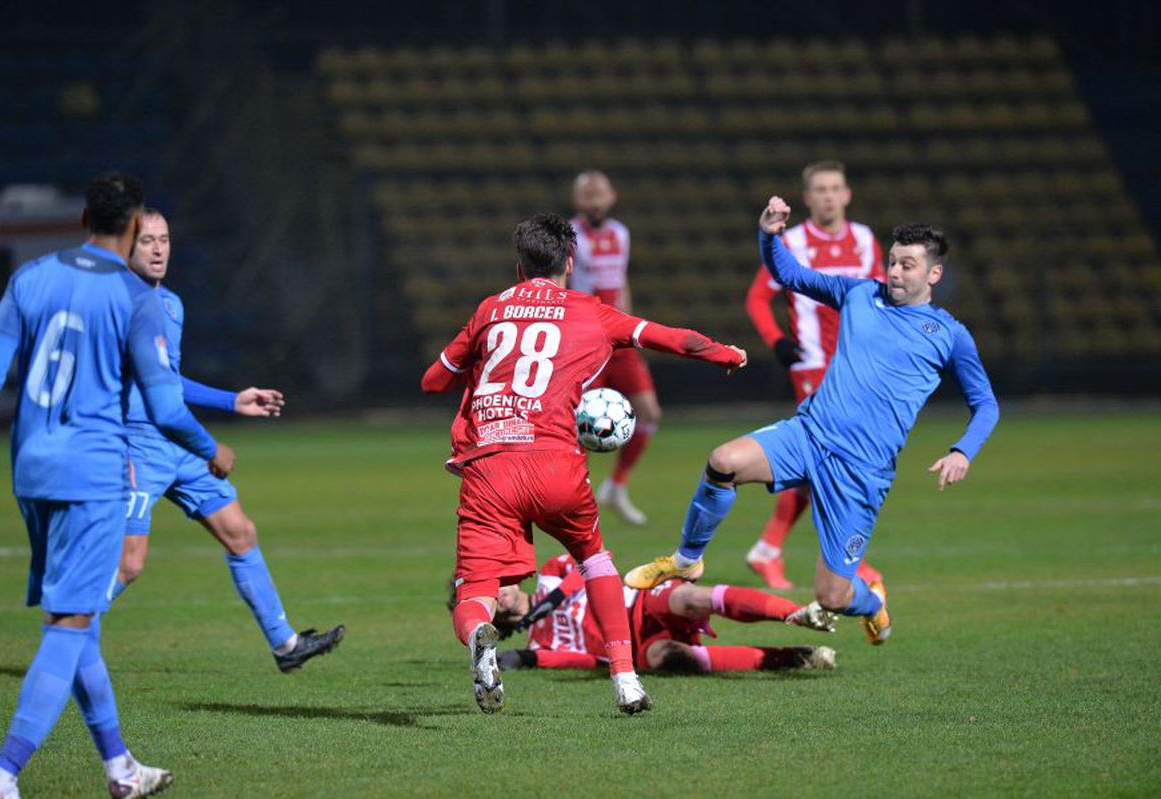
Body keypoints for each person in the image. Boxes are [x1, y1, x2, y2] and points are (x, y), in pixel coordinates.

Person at [0, 173, 232, 799]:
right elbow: (165, 408)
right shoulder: (136, 299)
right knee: (69, 623)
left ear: (84, 217)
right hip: (92, 476)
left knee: (76, 618)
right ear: (135, 225)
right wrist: (210, 447)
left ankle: (119, 767)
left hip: (29, 471)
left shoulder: (29, 278)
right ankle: (3, 778)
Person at [626, 196, 999, 647]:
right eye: (893, 261)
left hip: (861, 471)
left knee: (832, 595)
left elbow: (986, 404)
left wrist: (963, 451)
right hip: (809, 434)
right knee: (723, 460)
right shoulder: (860, 294)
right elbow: (790, 275)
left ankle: (873, 602)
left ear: (934, 274)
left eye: (909, 265)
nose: (896, 272)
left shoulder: (950, 335)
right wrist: (770, 235)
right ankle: (686, 560)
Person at [421, 212, 746, 715]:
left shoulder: (490, 310)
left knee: (478, 588)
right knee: (593, 558)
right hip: (556, 464)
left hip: (489, 468)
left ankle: (479, 640)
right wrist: (725, 353)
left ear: (518, 265)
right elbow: (673, 339)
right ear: (570, 262)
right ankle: (625, 679)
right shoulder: (592, 312)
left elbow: (432, 382)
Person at [110, 209, 344, 671]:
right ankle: (64, 634)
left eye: (165, 239)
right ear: (126, 248)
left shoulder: (172, 305)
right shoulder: (117, 304)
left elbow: (168, 381)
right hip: (136, 445)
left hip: (176, 441)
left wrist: (231, 400)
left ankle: (285, 645)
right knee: (129, 564)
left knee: (240, 532)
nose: (158, 250)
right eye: (146, 242)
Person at [744, 161, 885, 590]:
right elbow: (756, 299)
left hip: (856, 367)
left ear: (847, 194)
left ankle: (768, 549)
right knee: (838, 462)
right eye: (819, 189)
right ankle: (846, 562)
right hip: (813, 367)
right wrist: (778, 343)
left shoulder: (864, 239)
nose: (828, 196)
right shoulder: (795, 240)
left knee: (823, 465)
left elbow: (880, 299)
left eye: (835, 188)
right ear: (807, 198)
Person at [486, 553, 837, 676]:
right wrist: (523, 658)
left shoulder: (551, 573)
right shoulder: (538, 641)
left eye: (495, 584)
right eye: (488, 598)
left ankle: (798, 613)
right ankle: (792, 658)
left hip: (635, 601)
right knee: (667, 658)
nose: (498, 593)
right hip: (631, 645)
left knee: (688, 598)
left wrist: (551, 601)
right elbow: (581, 661)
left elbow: (594, 561)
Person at [569, 171, 658, 525]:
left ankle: (616, 486)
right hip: (586, 339)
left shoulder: (621, 233)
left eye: (599, 194)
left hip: (619, 337)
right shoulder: (570, 236)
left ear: (612, 196)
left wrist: (631, 328)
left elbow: (620, 283)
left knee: (649, 413)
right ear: (577, 201)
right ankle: (577, 495)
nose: (594, 200)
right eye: (587, 195)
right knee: (575, 421)